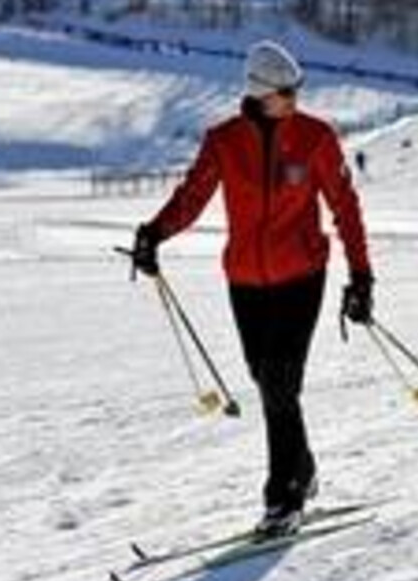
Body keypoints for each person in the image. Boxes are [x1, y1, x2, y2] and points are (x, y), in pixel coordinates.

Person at [130, 40, 374, 538]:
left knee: (282, 381)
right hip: (245, 280)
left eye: (297, 89)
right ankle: (302, 468)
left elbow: (344, 206)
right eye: (287, 91)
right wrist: (154, 232)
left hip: (302, 276)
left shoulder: (315, 138)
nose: (294, 98)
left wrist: (361, 275)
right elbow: (194, 195)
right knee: (267, 382)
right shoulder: (224, 140)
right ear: (261, 92)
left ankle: (282, 495)